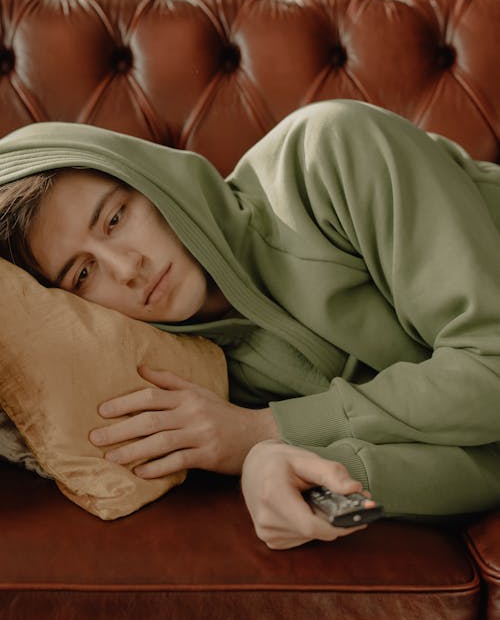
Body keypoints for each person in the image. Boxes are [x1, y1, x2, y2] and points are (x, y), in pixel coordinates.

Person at [1, 99, 500, 550]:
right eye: (84, 274)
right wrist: (279, 464)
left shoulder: (327, 154)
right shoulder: (205, 385)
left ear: (148, 178)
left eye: (115, 218)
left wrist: (269, 429)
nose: (128, 268)